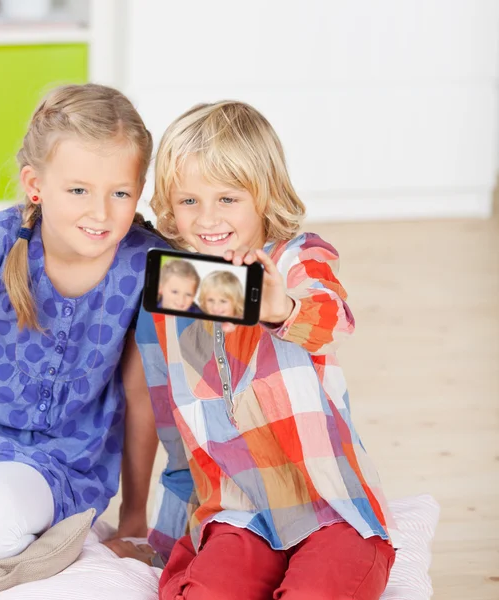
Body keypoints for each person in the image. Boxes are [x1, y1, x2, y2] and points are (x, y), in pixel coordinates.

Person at [136, 100, 399, 599]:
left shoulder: (299, 257)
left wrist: (283, 308)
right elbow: (176, 434)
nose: (207, 217)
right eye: (188, 200)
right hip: (239, 513)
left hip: (330, 505)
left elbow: (332, 318)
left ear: (264, 196)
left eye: (228, 199)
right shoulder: (176, 287)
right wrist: (163, 538)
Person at [0, 83, 168, 561]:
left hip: (53, 465)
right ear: (35, 185)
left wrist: (134, 515)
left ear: (139, 190)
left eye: (120, 192)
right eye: (79, 190)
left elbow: (139, 395)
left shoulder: (144, 266)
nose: (101, 213)